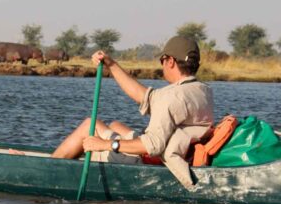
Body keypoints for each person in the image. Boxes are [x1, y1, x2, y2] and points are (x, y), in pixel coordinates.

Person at [49, 36, 214, 188]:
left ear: (170, 61)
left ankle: (47, 172)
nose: (162, 64)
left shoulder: (170, 97)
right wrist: (110, 64)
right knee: (115, 125)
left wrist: (105, 145)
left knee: (88, 126)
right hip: (176, 152)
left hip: (148, 161)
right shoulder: (202, 91)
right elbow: (144, 97)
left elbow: (153, 146)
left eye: (162, 60)